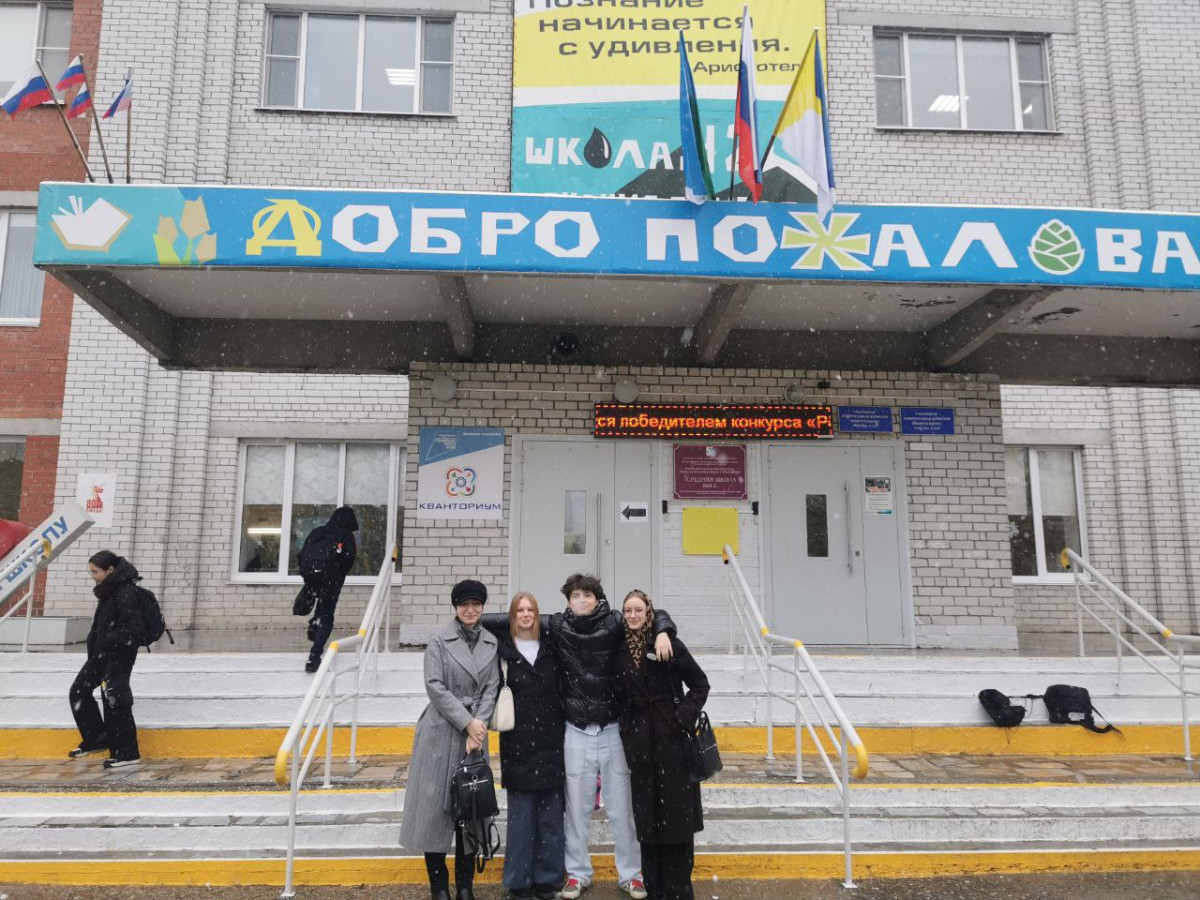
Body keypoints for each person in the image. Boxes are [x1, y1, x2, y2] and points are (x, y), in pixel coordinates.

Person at [482, 573, 675, 900]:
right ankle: (577, 874)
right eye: (575, 595)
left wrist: (663, 632)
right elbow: (500, 620)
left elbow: (650, 615)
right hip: (575, 732)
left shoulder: (615, 622)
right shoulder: (558, 625)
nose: (581, 600)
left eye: (587, 595)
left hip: (612, 730)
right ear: (568, 600)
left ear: (598, 599)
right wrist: (468, 617)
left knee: (621, 809)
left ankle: (631, 874)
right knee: (576, 810)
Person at [400, 579, 500, 900]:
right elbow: (434, 686)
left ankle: (465, 886)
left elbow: (491, 688)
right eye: (464, 604)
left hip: (474, 737)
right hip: (440, 733)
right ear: (455, 607)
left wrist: (478, 726)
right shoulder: (439, 640)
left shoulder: (491, 642)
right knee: (435, 814)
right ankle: (439, 886)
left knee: (471, 811)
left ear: (482, 606)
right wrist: (467, 722)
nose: (470, 609)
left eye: (476, 604)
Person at [616, 590, 710, 900]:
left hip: (674, 748)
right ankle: (654, 889)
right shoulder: (621, 649)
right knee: (648, 823)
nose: (632, 615)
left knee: (676, 822)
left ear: (649, 613)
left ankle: (678, 890)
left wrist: (680, 719)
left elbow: (700, 684)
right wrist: (627, 728)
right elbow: (619, 695)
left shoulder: (668, 644)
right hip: (640, 748)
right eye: (627, 610)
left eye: (638, 610)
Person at [496, 591, 565, 900]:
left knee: (551, 820)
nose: (526, 615)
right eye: (520, 610)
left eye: (531, 610)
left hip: (551, 743)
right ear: (512, 616)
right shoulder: (503, 652)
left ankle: (547, 878)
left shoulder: (552, 650)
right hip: (518, 745)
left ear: (538, 615)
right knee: (521, 822)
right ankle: (519, 881)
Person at [68, 551, 146, 771]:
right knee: (79, 691)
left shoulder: (125, 592)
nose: (92, 576)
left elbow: (134, 631)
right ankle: (97, 738)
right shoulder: (109, 590)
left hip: (117, 656)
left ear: (110, 570)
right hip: (100, 655)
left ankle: (127, 753)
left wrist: (108, 639)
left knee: (115, 701)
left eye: (95, 572)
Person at [297, 506, 358, 673]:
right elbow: (349, 558)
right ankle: (314, 657)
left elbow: (302, 555)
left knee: (321, 606)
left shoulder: (317, 532)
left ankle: (315, 621)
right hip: (331, 580)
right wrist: (337, 571)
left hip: (313, 578)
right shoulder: (345, 535)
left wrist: (310, 574)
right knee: (327, 616)